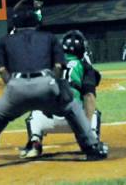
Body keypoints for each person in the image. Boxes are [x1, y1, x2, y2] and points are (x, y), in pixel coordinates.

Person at [0, 8, 108, 169]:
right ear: (37, 24)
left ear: (15, 25)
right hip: (45, 84)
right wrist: (55, 85)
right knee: (72, 107)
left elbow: (0, 69)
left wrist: (12, 85)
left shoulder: (5, 40)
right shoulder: (49, 38)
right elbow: (59, 67)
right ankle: (92, 148)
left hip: (16, 86)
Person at [19, 30, 103, 158]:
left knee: (35, 111)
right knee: (94, 112)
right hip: (76, 121)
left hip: (48, 120)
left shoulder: (49, 64)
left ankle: (35, 142)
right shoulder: (85, 67)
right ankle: (92, 143)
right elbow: (89, 96)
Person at [0, 0, 44, 74]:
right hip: (16, 33)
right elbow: (15, 9)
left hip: (28, 36)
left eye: (40, 0)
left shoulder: (40, 14)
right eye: (37, 0)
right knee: (3, 49)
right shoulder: (27, 8)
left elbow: (37, 27)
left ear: (42, 3)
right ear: (34, 1)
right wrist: (22, 1)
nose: (38, 2)